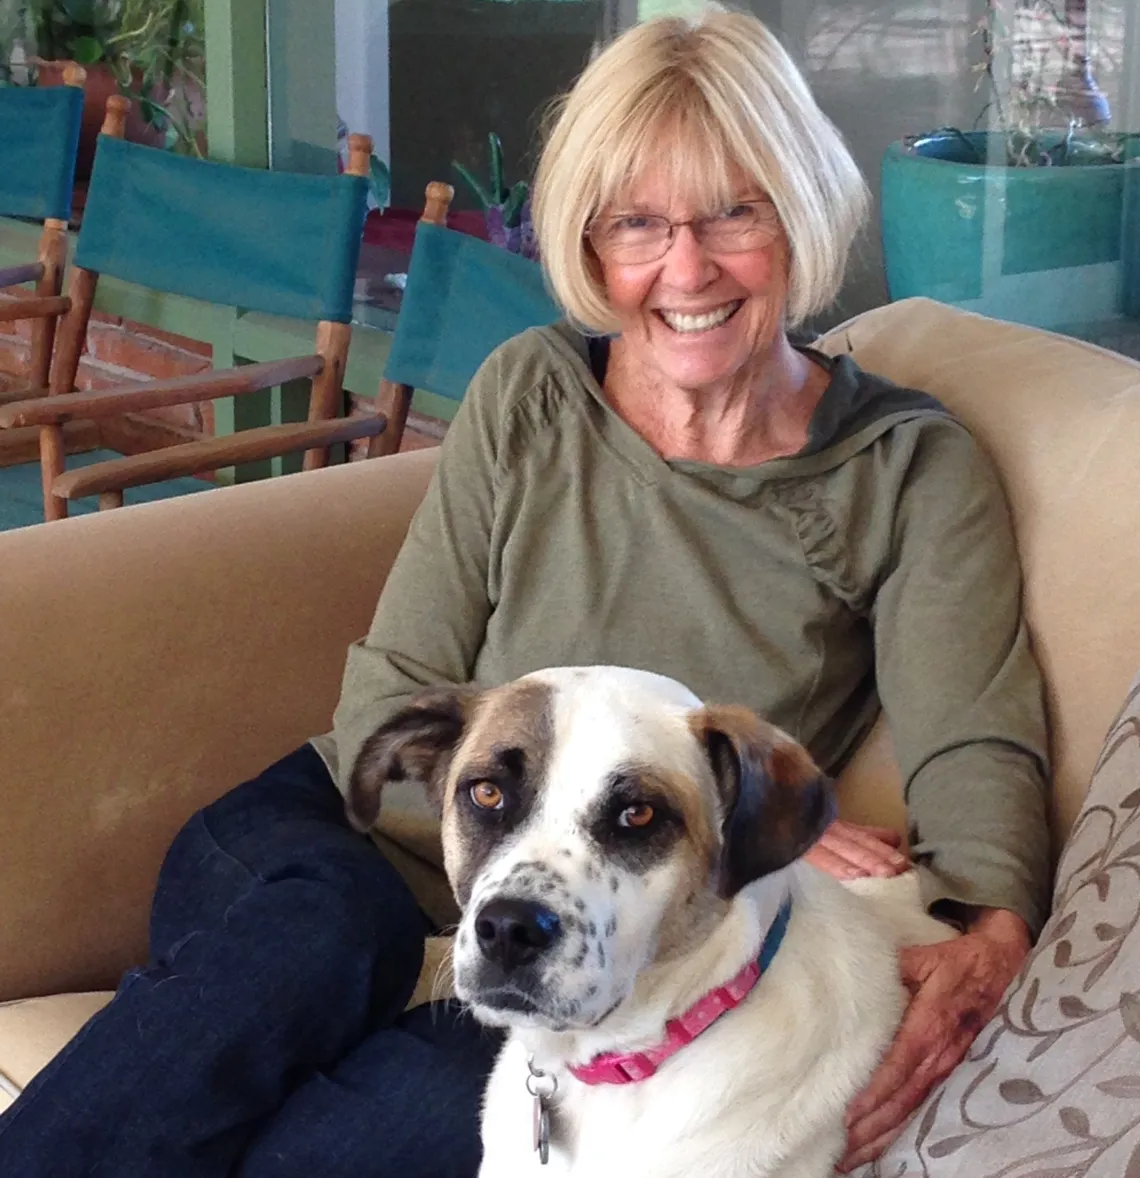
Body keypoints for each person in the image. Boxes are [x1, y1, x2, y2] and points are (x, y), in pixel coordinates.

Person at [0, 7, 1049, 1176]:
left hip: (573, 939)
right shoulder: (534, 392)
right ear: (590, 245)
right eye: (637, 223)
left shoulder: (906, 466)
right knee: (321, 936)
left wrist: (980, 930)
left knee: (415, 1116)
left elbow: (978, 758)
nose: (686, 268)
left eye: (733, 214)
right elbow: (387, 702)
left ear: (798, 214)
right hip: (336, 853)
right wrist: (484, 875)